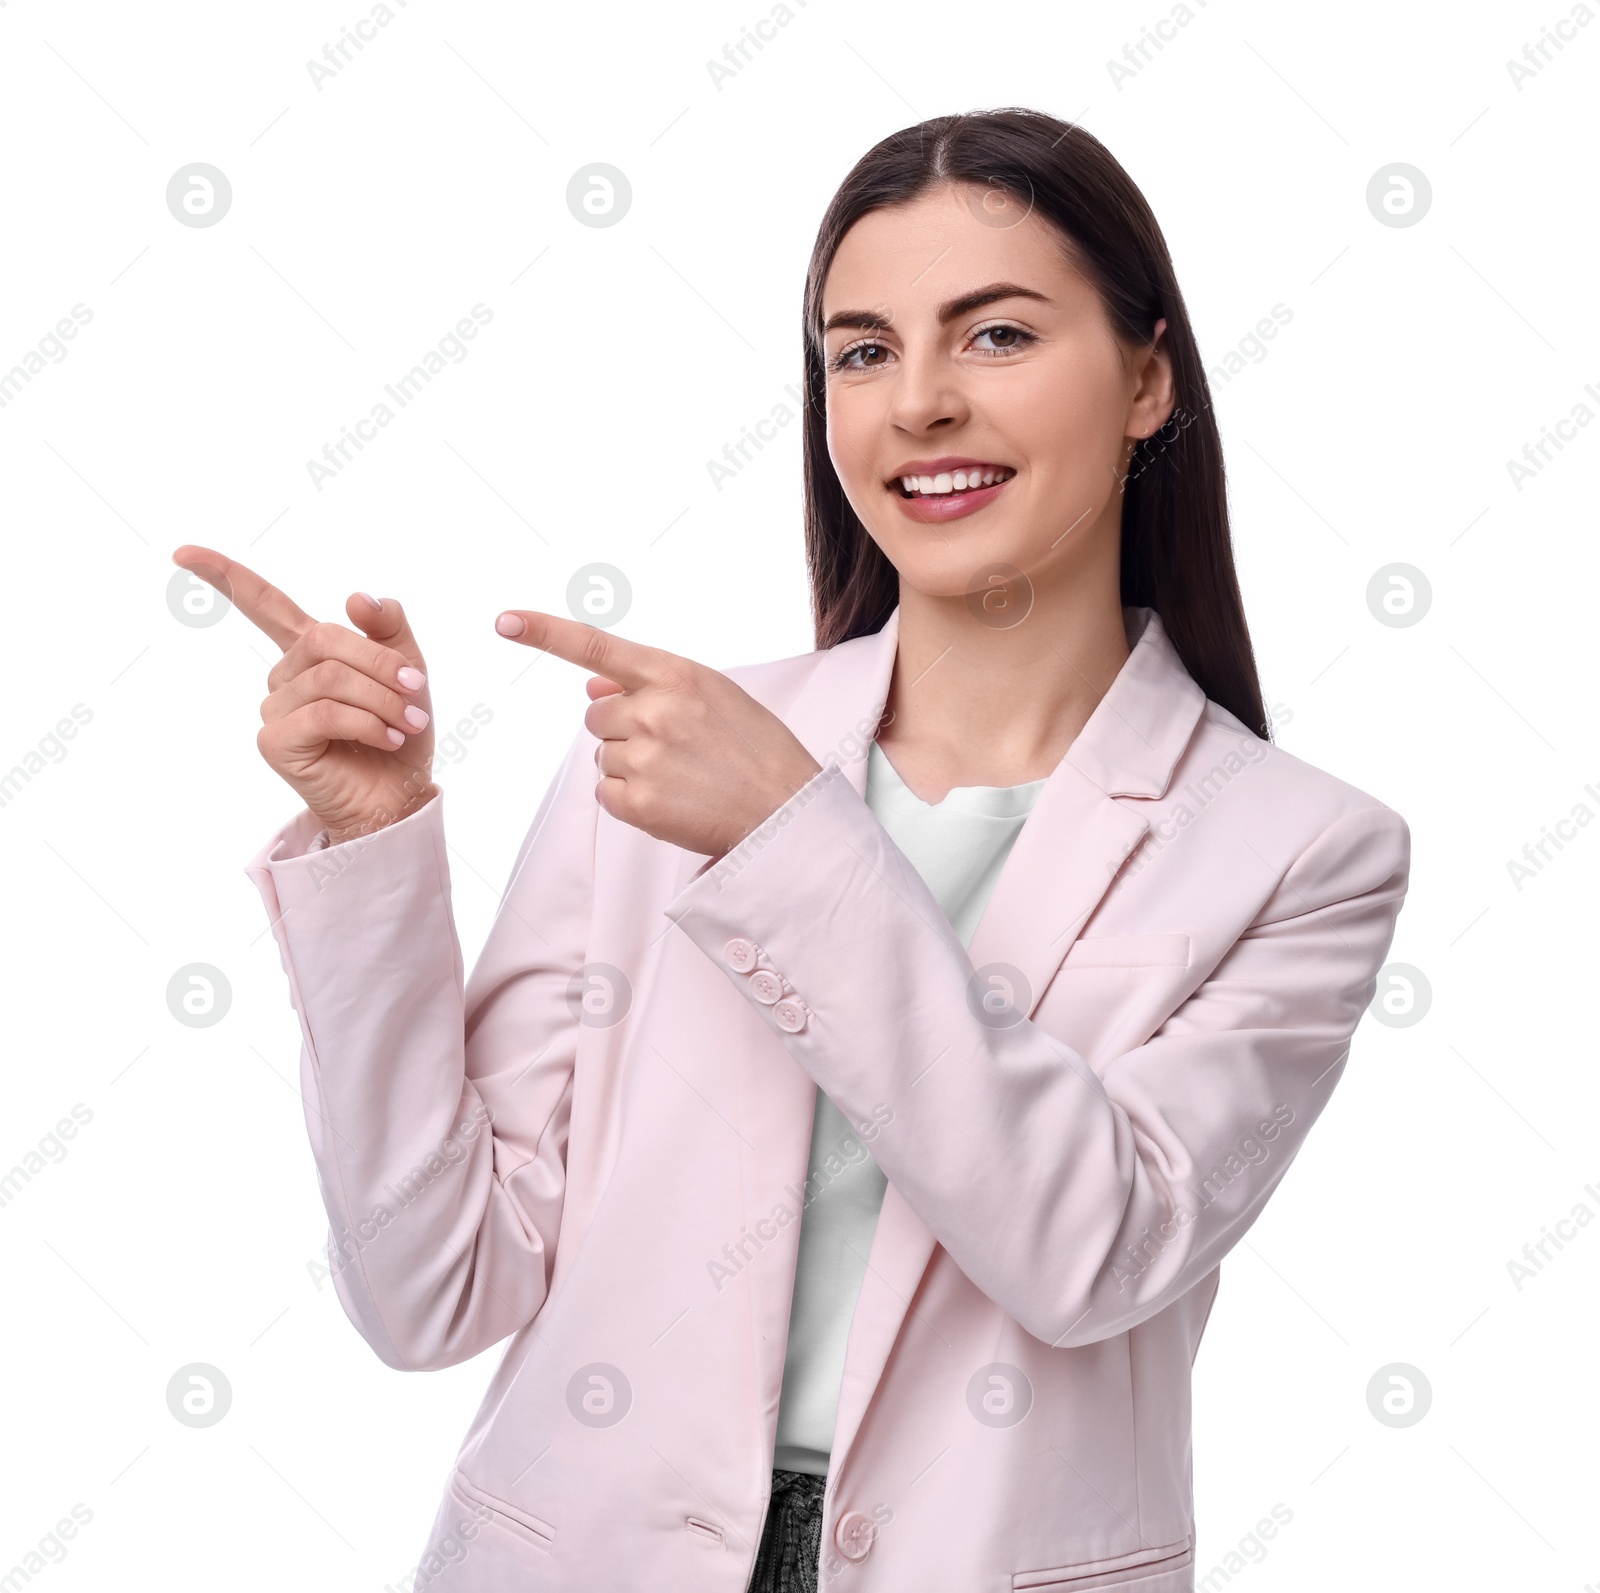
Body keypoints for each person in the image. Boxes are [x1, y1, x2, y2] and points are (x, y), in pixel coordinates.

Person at [176, 108, 1409, 1593]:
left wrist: (791, 839)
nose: (921, 404)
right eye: (863, 350)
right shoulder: (652, 758)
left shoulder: (1303, 850)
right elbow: (429, 1288)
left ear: (1149, 377)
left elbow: (1091, 1251)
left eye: (998, 335)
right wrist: (373, 854)